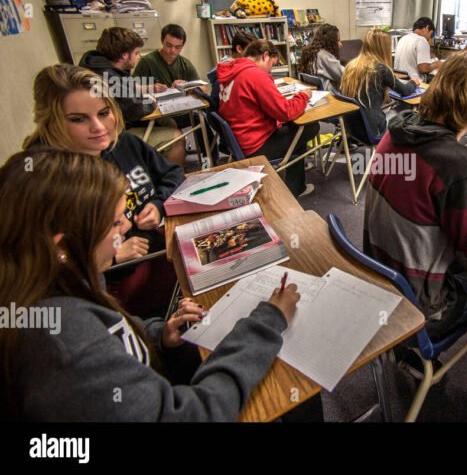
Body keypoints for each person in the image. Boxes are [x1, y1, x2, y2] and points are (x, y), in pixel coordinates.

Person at [0, 148, 300, 421]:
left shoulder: (60, 283)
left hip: (158, 374)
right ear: (62, 246)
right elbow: (193, 415)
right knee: (286, 388)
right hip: (181, 399)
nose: (127, 226)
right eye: (115, 223)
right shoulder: (65, 343)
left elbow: (116, 331)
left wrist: (159, 335)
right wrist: (266, 323)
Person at [364, 50, 467, 338]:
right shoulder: (456, 164)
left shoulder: (397, 128)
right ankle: (423, 353)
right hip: (421, 306)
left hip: (379, 276)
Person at [23, 64, 184, 316]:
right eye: (78, 119)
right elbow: (45, 268)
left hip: (160, 253)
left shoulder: (123, 143)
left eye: (104, 112)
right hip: (114, 289)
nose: (98, 127)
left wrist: (157, 204)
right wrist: (114, 255)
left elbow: (172, 173)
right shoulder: (45, 183)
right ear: (52, 122)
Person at [217, 39, 319, 197]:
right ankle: (296, 187)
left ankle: (296, 180)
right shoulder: (255, 75)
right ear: (265, 55)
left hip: (239, 139)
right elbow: (285, 112)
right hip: (255, 145)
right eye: (272, 65)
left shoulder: (233, 70)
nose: (270, 72)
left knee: (294, 129)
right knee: (308, 127)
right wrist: (303, 96)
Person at [79, 26, 186, 166]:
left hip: (113, 126)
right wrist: (151, 101)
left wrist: (150, 88)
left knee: (168, 122)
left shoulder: (101, 66)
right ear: (124, 55)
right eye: (136, 53)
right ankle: (169, 175)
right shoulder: (108, 77)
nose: (139, 56)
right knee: (177, 137)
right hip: (115, 136)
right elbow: (136, 109)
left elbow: (128, 86)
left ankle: (156, 165)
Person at [340, 28, 420, 137]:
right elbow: (405, 91)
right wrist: (413, 82)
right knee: (409, 110)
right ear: (384, 48)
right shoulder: (380, 68)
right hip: (374, 130)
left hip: (351, 127)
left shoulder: (351, 65)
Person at [133, 23, 200, 89]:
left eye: (177, 47)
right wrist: (150, 88)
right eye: (169, 45)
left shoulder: (186, 65)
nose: (173, 50)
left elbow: (202, 88)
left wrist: (186, 85)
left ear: (182, 46)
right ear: (162, 41)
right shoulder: (147, 63)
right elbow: (130, 89)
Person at [208, 31, 258, 112]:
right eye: (251, 52)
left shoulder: (224, 66)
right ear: (239, 49)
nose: (255, 57)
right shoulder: (233, 73)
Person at [394, 17, 443, 81]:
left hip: (399, 79)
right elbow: (423, 69)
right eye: (431, 34)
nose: (429, 38)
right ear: (427, 28)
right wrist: (437, 64)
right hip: (413, 81)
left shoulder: (403, 38)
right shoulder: (422, 40)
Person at [297, 24, 344, 91]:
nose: (340, 44)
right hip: (329, 93)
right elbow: (345, 75)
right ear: (329, 42)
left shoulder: (311, 53)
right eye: (338, 40)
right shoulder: (324, 56)